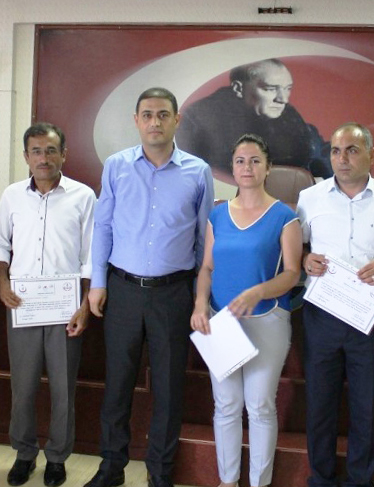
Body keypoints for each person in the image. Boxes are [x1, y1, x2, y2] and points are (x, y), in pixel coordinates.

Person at [84, 87, 214, 487]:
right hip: (122, 290)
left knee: (169, 390)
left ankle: (160, 473)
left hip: (174, 294)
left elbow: (203, 237)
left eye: (162, 114)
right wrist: (98, 283)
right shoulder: (116, 166)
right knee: (118, 386)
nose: (154, 122)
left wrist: (200, 295)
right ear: (136, 121)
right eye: (147, 115)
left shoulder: (198, 171)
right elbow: (103, 227)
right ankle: (111, 468)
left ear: (176, 119)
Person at [297, 123, 374, 487]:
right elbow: (298, 248)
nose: (342, 158)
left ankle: (360, 481)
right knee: (320, 405)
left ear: (371, 155)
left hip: (372, 319)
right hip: (322, 316)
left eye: (352, 150)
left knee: (367, 407)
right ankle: (321, 479)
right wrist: (304, 260)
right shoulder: (309, 198)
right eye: (336, 151)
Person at [190, 133, 302, 487]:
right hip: (222, 323)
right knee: (225, 404)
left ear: (268, 168)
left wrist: (258, 291)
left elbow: (292, 273)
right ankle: (228, 480)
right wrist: (200, 306)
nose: (247, 167)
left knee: (259, 406)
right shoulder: (218, 215)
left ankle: (259, 482)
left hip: (267, 320)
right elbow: (207, 268)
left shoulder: (284, 216)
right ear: (232, 167)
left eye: (255, 161)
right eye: (240, 161)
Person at [0, 122, 95, 487]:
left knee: (62, 388)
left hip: (65, 309)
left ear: (63, 155)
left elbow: (91, 255)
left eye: (51, 150)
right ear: (26, 156)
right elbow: (1, 245)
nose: (43, 158)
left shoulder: (83, 196)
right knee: (22, 388)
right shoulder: (11, 196)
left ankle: (57, 458)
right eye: (36, 151)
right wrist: (2, 284)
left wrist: (84, 305)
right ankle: (24, 454)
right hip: (22, 304)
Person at [178, 58, 332, 180]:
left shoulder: (292, 120)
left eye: (287, 89)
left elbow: (319, 153)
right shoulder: (198, 122)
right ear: (239, 88)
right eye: (271, 89)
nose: (283, 99)